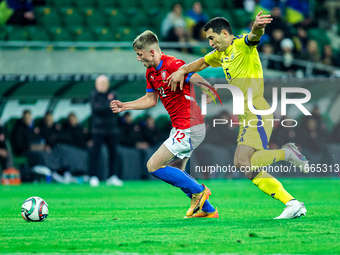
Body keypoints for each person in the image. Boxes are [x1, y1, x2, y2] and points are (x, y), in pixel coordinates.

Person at [167, 13, 309, 219]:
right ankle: (291, 197)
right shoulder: (220, 54)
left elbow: (254, 36)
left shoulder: (241, 44)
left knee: (242, 162)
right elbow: (201, 63)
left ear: (225, 34)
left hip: (256, 110)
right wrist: (182, 71)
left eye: (212, 38)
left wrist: (257, 27)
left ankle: (288, 168)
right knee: (247, 164)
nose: (210, 43)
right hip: (247, 114)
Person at [110, 30, 218, 218]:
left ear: (151, 51)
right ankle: (208, 210)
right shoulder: (151, 72)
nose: (137, 58)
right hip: (181, 127)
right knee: (177, 172)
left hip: (190, 126)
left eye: (139, 53)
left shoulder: (173, 64)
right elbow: (151, 100)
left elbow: (193, 76)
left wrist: (208, 90)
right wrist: (124, 106)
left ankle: (200, 191)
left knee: (153, 166)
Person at [89, 75, 122, 187]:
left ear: (108, 84)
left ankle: (113, 176)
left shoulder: (114, 94)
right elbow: (96, 109)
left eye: (104, 83)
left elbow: (116, 109)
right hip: (98, 130)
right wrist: (108, 106)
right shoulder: (93, 95)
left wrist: (104, 107)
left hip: (112, 130)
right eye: (100, 83)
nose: (102, 86)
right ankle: (94, 176)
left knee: (114, 154)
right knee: (95, 154)